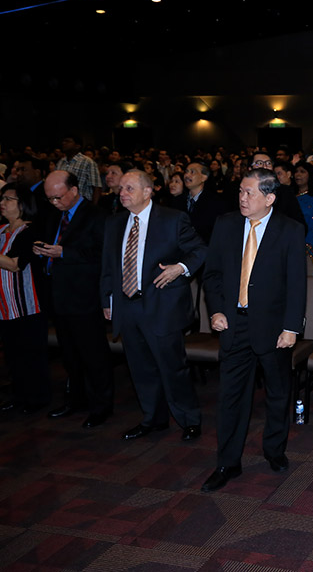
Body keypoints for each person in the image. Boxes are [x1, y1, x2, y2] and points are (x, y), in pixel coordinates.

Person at [200, 169, 306, 492]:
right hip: (234, 323)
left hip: (274, 327)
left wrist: (291, 327)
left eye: (250, 193)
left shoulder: (290, 230)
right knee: (231, 396)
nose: (242, 198)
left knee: (277, 393)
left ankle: (274, 450)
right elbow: (212, 274)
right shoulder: (226, 224)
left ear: (269, 198)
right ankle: (227, 462)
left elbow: (296, 284)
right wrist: (217, 310)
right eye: (241, 192)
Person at [100, 170, 206, 442]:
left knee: (172, 367)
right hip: (127, 306)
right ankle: (153, 419)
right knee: (141, 368)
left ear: (147, 192)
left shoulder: (172, 219)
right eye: (121, 188)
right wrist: (107, 299)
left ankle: (189, 419)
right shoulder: (114, 223)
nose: (122, 193)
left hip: (162, 305)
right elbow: (109, 266)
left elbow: (200, 250)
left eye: (129, 188)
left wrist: (180, 268)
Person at [33, 171, 113, 427]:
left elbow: (102, 255)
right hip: (59, 294)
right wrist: (43, 250)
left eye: (58, 197)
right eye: (49, 198)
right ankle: (76, 399)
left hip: (84, 296)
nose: (54, 202)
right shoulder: (54, 214)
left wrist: (64, 253)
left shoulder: (97, 215)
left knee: (93, 355)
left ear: (74, 191)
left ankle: (101, 406)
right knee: (69, 354)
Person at [0, 183, 51, 414]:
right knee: (13, 354)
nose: (2, 203)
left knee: (31, 353)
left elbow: (15, 264)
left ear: (22, 205)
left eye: (8, 199)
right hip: (5, 304)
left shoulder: (31, 232)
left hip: (28, 304)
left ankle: (37, 398)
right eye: (2, 199)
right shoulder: (2, 230)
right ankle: (19, 396)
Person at [55, 135, 103, 202]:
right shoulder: (60, 162)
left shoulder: (88, 162)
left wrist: (93, 206)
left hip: (81, 203)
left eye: (67, 141)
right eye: (63, 141)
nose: (64, 143)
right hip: (63, 203)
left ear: (77, 146)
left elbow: (96, 187)